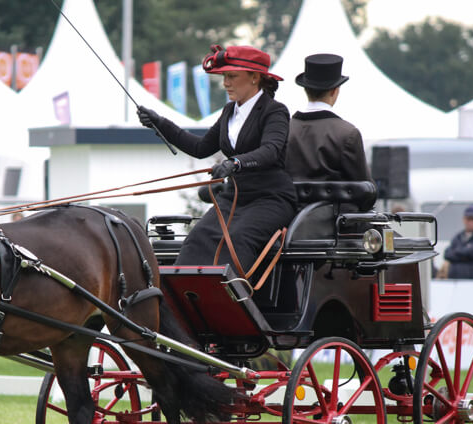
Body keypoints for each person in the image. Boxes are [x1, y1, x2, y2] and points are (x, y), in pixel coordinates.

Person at [137, 44, 296, 271]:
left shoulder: (275, 111)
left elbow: (271, 150)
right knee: (197, 238)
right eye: (224, 77)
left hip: (270, 198)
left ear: (254, 77)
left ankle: (231, 292)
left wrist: (235, 163)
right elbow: (200, 147)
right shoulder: (229, 111)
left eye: (232, 76)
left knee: (237, 240)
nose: (226, 83)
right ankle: (181, 292)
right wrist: (160, 123)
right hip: (234, 197)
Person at [285, 53, 372, 184]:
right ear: (334, 91)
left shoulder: (284, 129)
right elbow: (364, 185)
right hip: (333, 198)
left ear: (305, 89)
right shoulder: (347, 133)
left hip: (288, 197)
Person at [443, 206, 473, 279]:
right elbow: (447, 254)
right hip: (454, 281)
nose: (471, 222)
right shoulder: (458, 237)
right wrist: (465, 251)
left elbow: (471, 253)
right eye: (468, 219)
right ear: (464, 220)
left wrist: (457, 252)